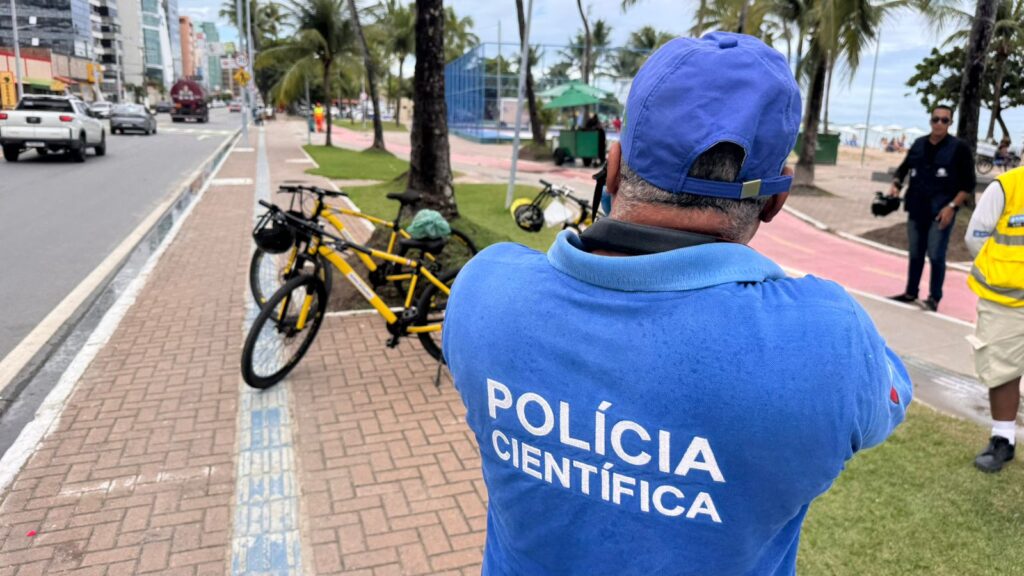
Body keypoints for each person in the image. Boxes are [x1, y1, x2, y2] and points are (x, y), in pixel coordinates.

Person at [443, 33, 910, 575]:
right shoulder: (829, 340)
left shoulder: (484, 292)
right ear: (777, 201)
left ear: (612, 168)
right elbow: (887, 401)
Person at [964, 165, 1024, 472]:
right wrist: (1003, 275)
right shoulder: (1006, 187)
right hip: (1005, 302)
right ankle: (1003, 438)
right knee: (1002, 369)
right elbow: (976, 237)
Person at [888, 105, 975, 312]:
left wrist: (952, 207)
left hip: (941, 211)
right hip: (916, 208)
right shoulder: (918, 144)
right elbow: (903, 169)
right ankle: (910, 292)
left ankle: (934, 298)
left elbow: (968, 185)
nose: (939, 124)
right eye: (936, 119)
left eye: (944, 120)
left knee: (936, 255)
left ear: (950, 123)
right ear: (930, 121)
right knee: (915, 253)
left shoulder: (959, 148)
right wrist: (896, 186)